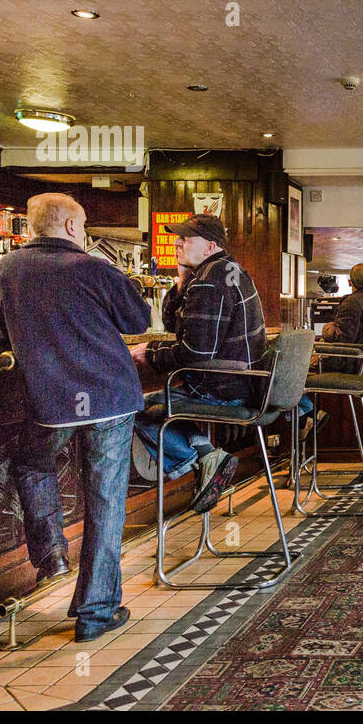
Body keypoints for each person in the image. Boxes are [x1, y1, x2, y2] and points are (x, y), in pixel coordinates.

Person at [0, 193, 150, 642]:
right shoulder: (94, 268)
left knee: (31, 464)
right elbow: (138, 320)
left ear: (34, 226)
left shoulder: (6, 269)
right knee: (106, 499)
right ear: (74, 228)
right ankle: (95, 612)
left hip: (51, 400)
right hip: (110, 397)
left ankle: (53, 554)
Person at [131, 214, 266, 514]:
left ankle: (205, 456)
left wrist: (149, 353)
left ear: (210, 246)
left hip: (222, 388)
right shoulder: (230, 270)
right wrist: (181, 280)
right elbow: (173, 325)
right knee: (160, 403)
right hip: (244, 384)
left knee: (133, 408)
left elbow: (195, 355)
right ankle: (207, 455)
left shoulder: (210, 282)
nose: (177, 242)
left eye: (186, 239)